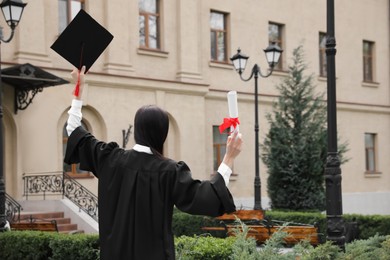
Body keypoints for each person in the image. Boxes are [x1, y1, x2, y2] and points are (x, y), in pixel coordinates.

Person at [64, 66, 243, 260]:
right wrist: (228, 158)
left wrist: (79, 90)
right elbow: (206, 197)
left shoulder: (111, 159)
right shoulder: (169, 172)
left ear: (138, 130)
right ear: (162, 134)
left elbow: (74, 130)